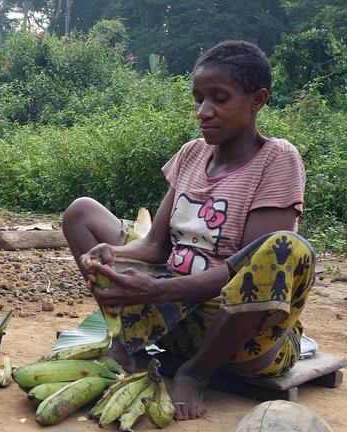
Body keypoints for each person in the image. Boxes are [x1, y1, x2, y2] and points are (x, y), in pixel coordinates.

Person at [62, 40, 315, 422]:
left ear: (257, 100)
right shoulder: (192, 154)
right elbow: (155, 246)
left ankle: (195, 373)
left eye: (219, 99)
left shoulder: (277, 160)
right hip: (169, 322)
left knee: (284, 247)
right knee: (81, 213)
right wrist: (115, 254)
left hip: (241, 339)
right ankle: (127, 344)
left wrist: (157, 290)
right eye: (199, 99)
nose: (203, 111)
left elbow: (248, 271)